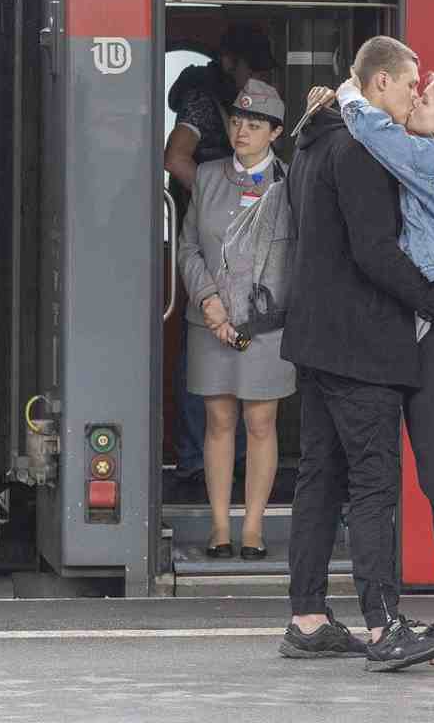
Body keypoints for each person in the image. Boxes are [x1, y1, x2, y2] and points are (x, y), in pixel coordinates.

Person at [278, 36, 434, 671]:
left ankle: (308, 617)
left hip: (312, 339)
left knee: (319, 478)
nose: (415, 93)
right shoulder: (362, 149)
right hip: (360, 344)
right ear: (380, 85)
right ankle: (384, 625)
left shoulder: (311, 143)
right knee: (373, 485)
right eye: (410, 82)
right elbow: (375, 252)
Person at [177, 78, 294, 561]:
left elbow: (299, 260)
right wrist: (209, 301)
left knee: (261, 421)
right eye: (237, 119)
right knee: (218, 419)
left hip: (265, 327)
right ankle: (220, 526)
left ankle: (254, 527)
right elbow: (187, 247)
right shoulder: (207, 176)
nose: (241, 128)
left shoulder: (292, 184)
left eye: (255, 123)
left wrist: (249, 318)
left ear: (276, 132)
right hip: (211, 320)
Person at [164, 24, 276, 484]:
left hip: (234, 244)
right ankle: (195, 461)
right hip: (212, 242)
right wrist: (225, 199)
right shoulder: (204, 103)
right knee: (208, 352)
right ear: (230, 63)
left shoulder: (231, 105)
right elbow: (175, 157)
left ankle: (231, 461)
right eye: (251, 70)